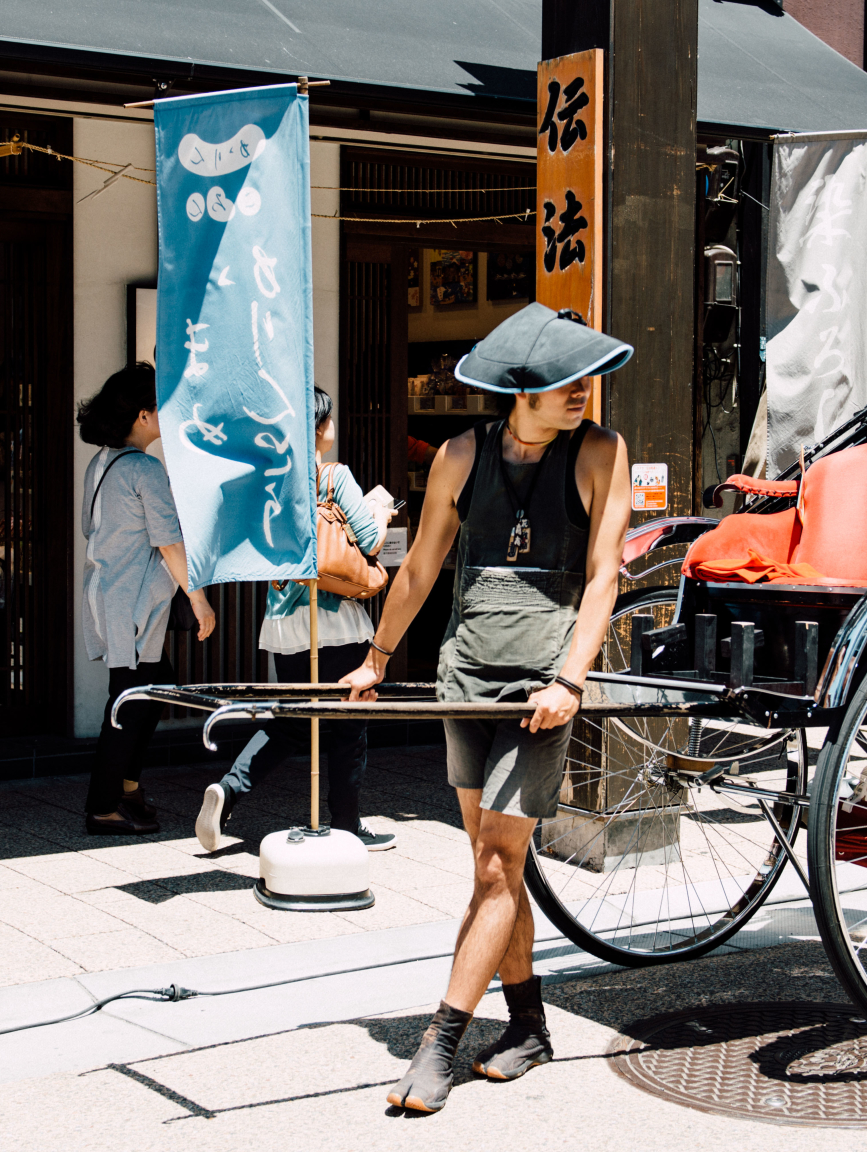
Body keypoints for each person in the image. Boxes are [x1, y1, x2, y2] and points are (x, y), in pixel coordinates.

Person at [344, 304, 633, 1113]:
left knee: (496, 868)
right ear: (522, 388)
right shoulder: (460, 455)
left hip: (541, 685)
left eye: (588, 377)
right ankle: (531, 1026)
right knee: (492, 868)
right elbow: (423, 565)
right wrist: (375, 658)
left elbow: (605, 575)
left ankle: (438, 1044)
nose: (583, 390)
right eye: (565, 379)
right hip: (464, 674)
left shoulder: (601, 451)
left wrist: (571, 678)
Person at [195, 389, 396, 853]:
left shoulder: (270, 481)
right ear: (320, 427)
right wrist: (380, 513)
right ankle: (347, 825)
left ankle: (228, 790)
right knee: (348, 722)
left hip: (284, 622)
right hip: (335, 622)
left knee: (289, 721)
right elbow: (368, 544)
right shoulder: (333, 476)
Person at [79, 362, 216, 836]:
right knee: (131, 701)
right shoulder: (143, 467)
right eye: (162, 407)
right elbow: (169, 541)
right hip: (133, 602)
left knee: (151, 688)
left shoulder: (102, 462)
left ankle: (128, 787)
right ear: (143, 415)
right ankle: (103, 804)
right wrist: (199, 601)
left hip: (109, 595)